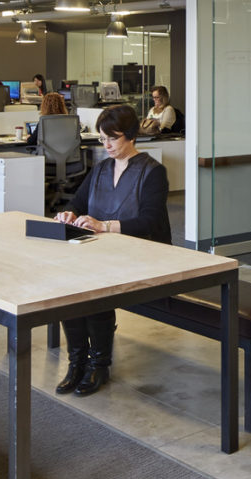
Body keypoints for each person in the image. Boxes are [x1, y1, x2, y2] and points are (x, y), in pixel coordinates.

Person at [53, 104, 170, 397]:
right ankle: (77, 362)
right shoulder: (101, 168)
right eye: (102, 139)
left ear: (131, 136)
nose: (106, 145)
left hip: (141, 253)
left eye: (112, 138)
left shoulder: (152, 172)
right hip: (102, 252)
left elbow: (150, 221)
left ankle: (98, 364)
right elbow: (77, 203)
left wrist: (104, 226)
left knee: (91, 284)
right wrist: (68, 214)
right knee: (71, 284)